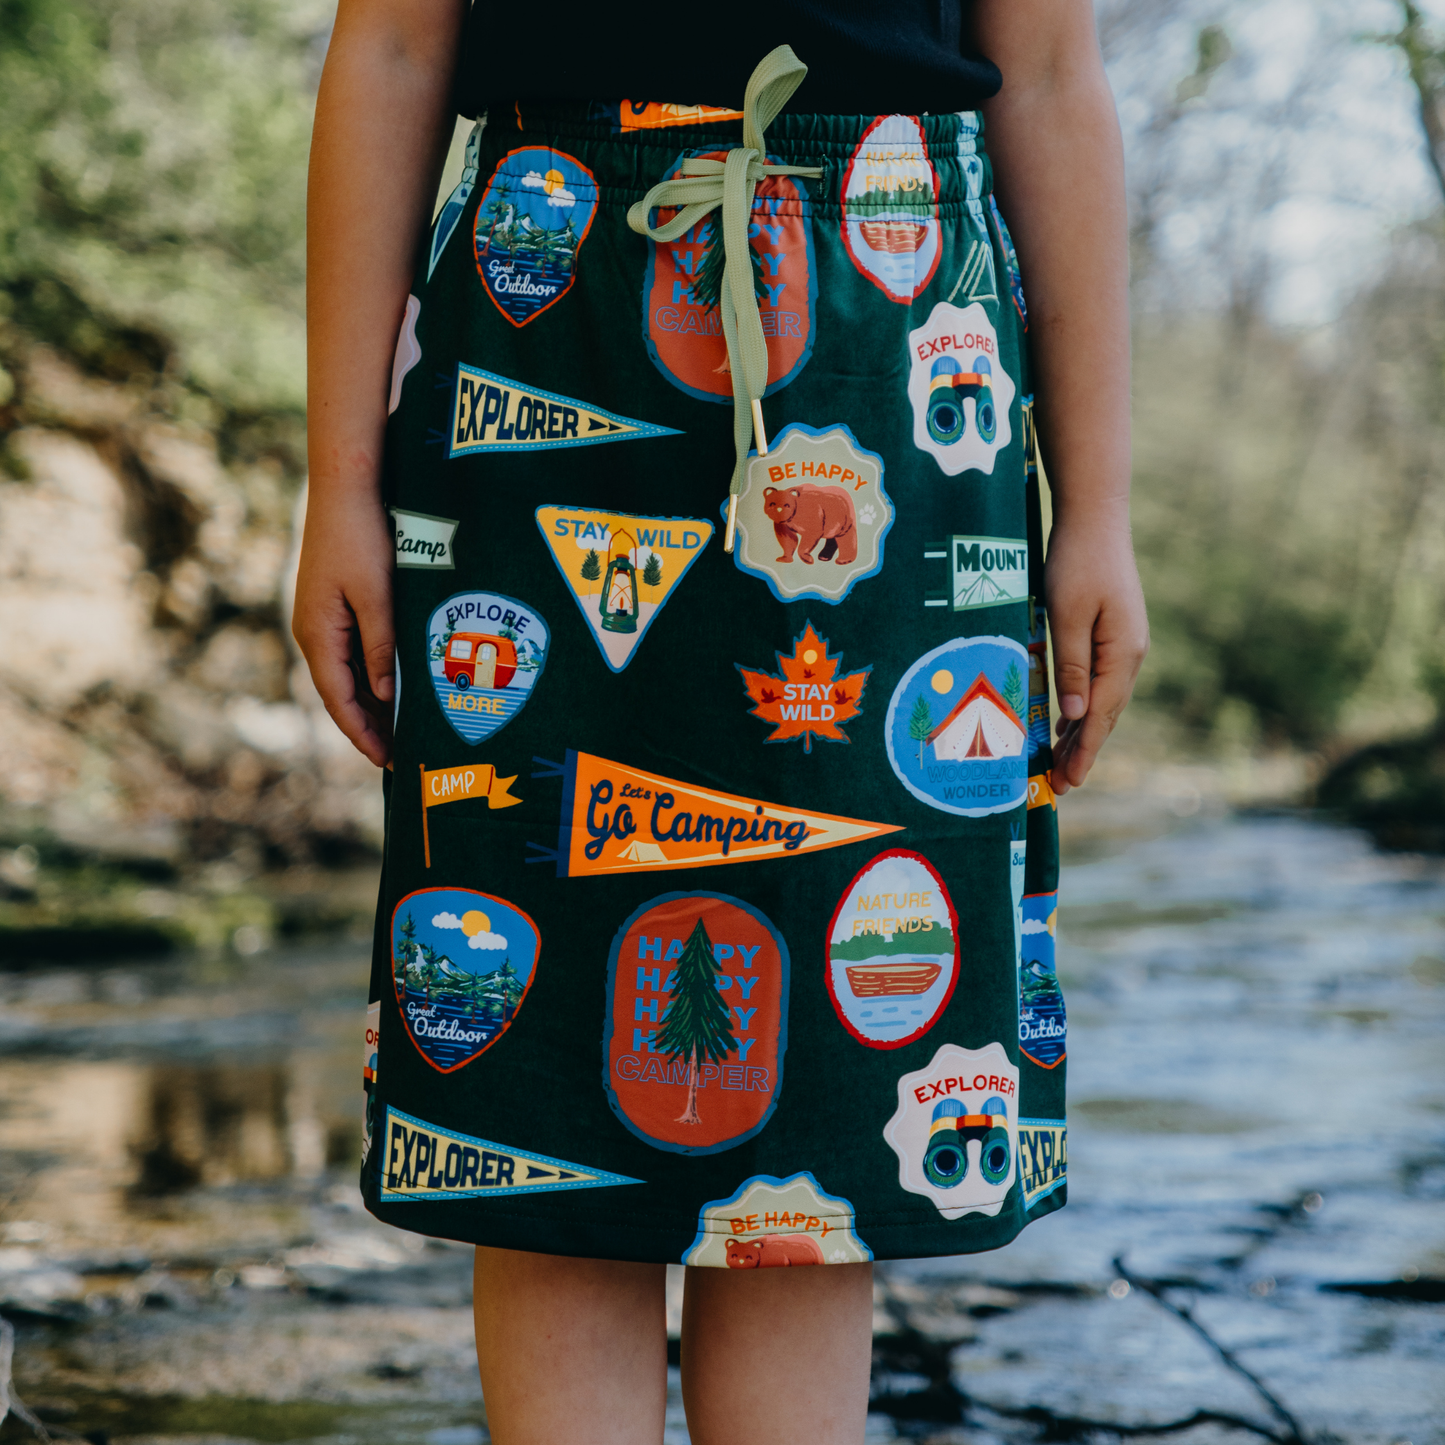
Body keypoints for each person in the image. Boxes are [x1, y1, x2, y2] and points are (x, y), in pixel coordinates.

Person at [296, 1, 1147, 1440]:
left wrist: (1101, 510)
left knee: (828, 1064)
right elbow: (386, 51)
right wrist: (337, 481)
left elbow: (1054, 77)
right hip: (542, 305)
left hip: (892, 316)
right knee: (548, 1081)